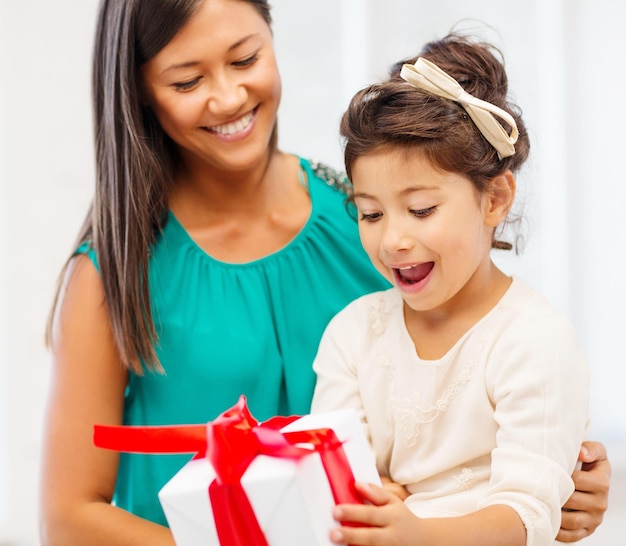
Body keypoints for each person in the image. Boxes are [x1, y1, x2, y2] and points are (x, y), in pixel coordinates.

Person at [38, 1, 610, 545]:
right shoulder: (112, 275)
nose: (229, 95)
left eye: (245, 59)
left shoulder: (365, 218)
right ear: (138, 90)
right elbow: (68, 522)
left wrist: (564, 476)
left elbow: (470, 402)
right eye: (187, 81)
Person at [310, 33, 602, 546]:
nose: (393, 240)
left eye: (421, 209)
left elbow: (528, 514)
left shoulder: (533, 340)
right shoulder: (353, 333)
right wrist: (373, 494)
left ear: (494, 198)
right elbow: (330, 477)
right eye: (371, 213)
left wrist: (416, 532)